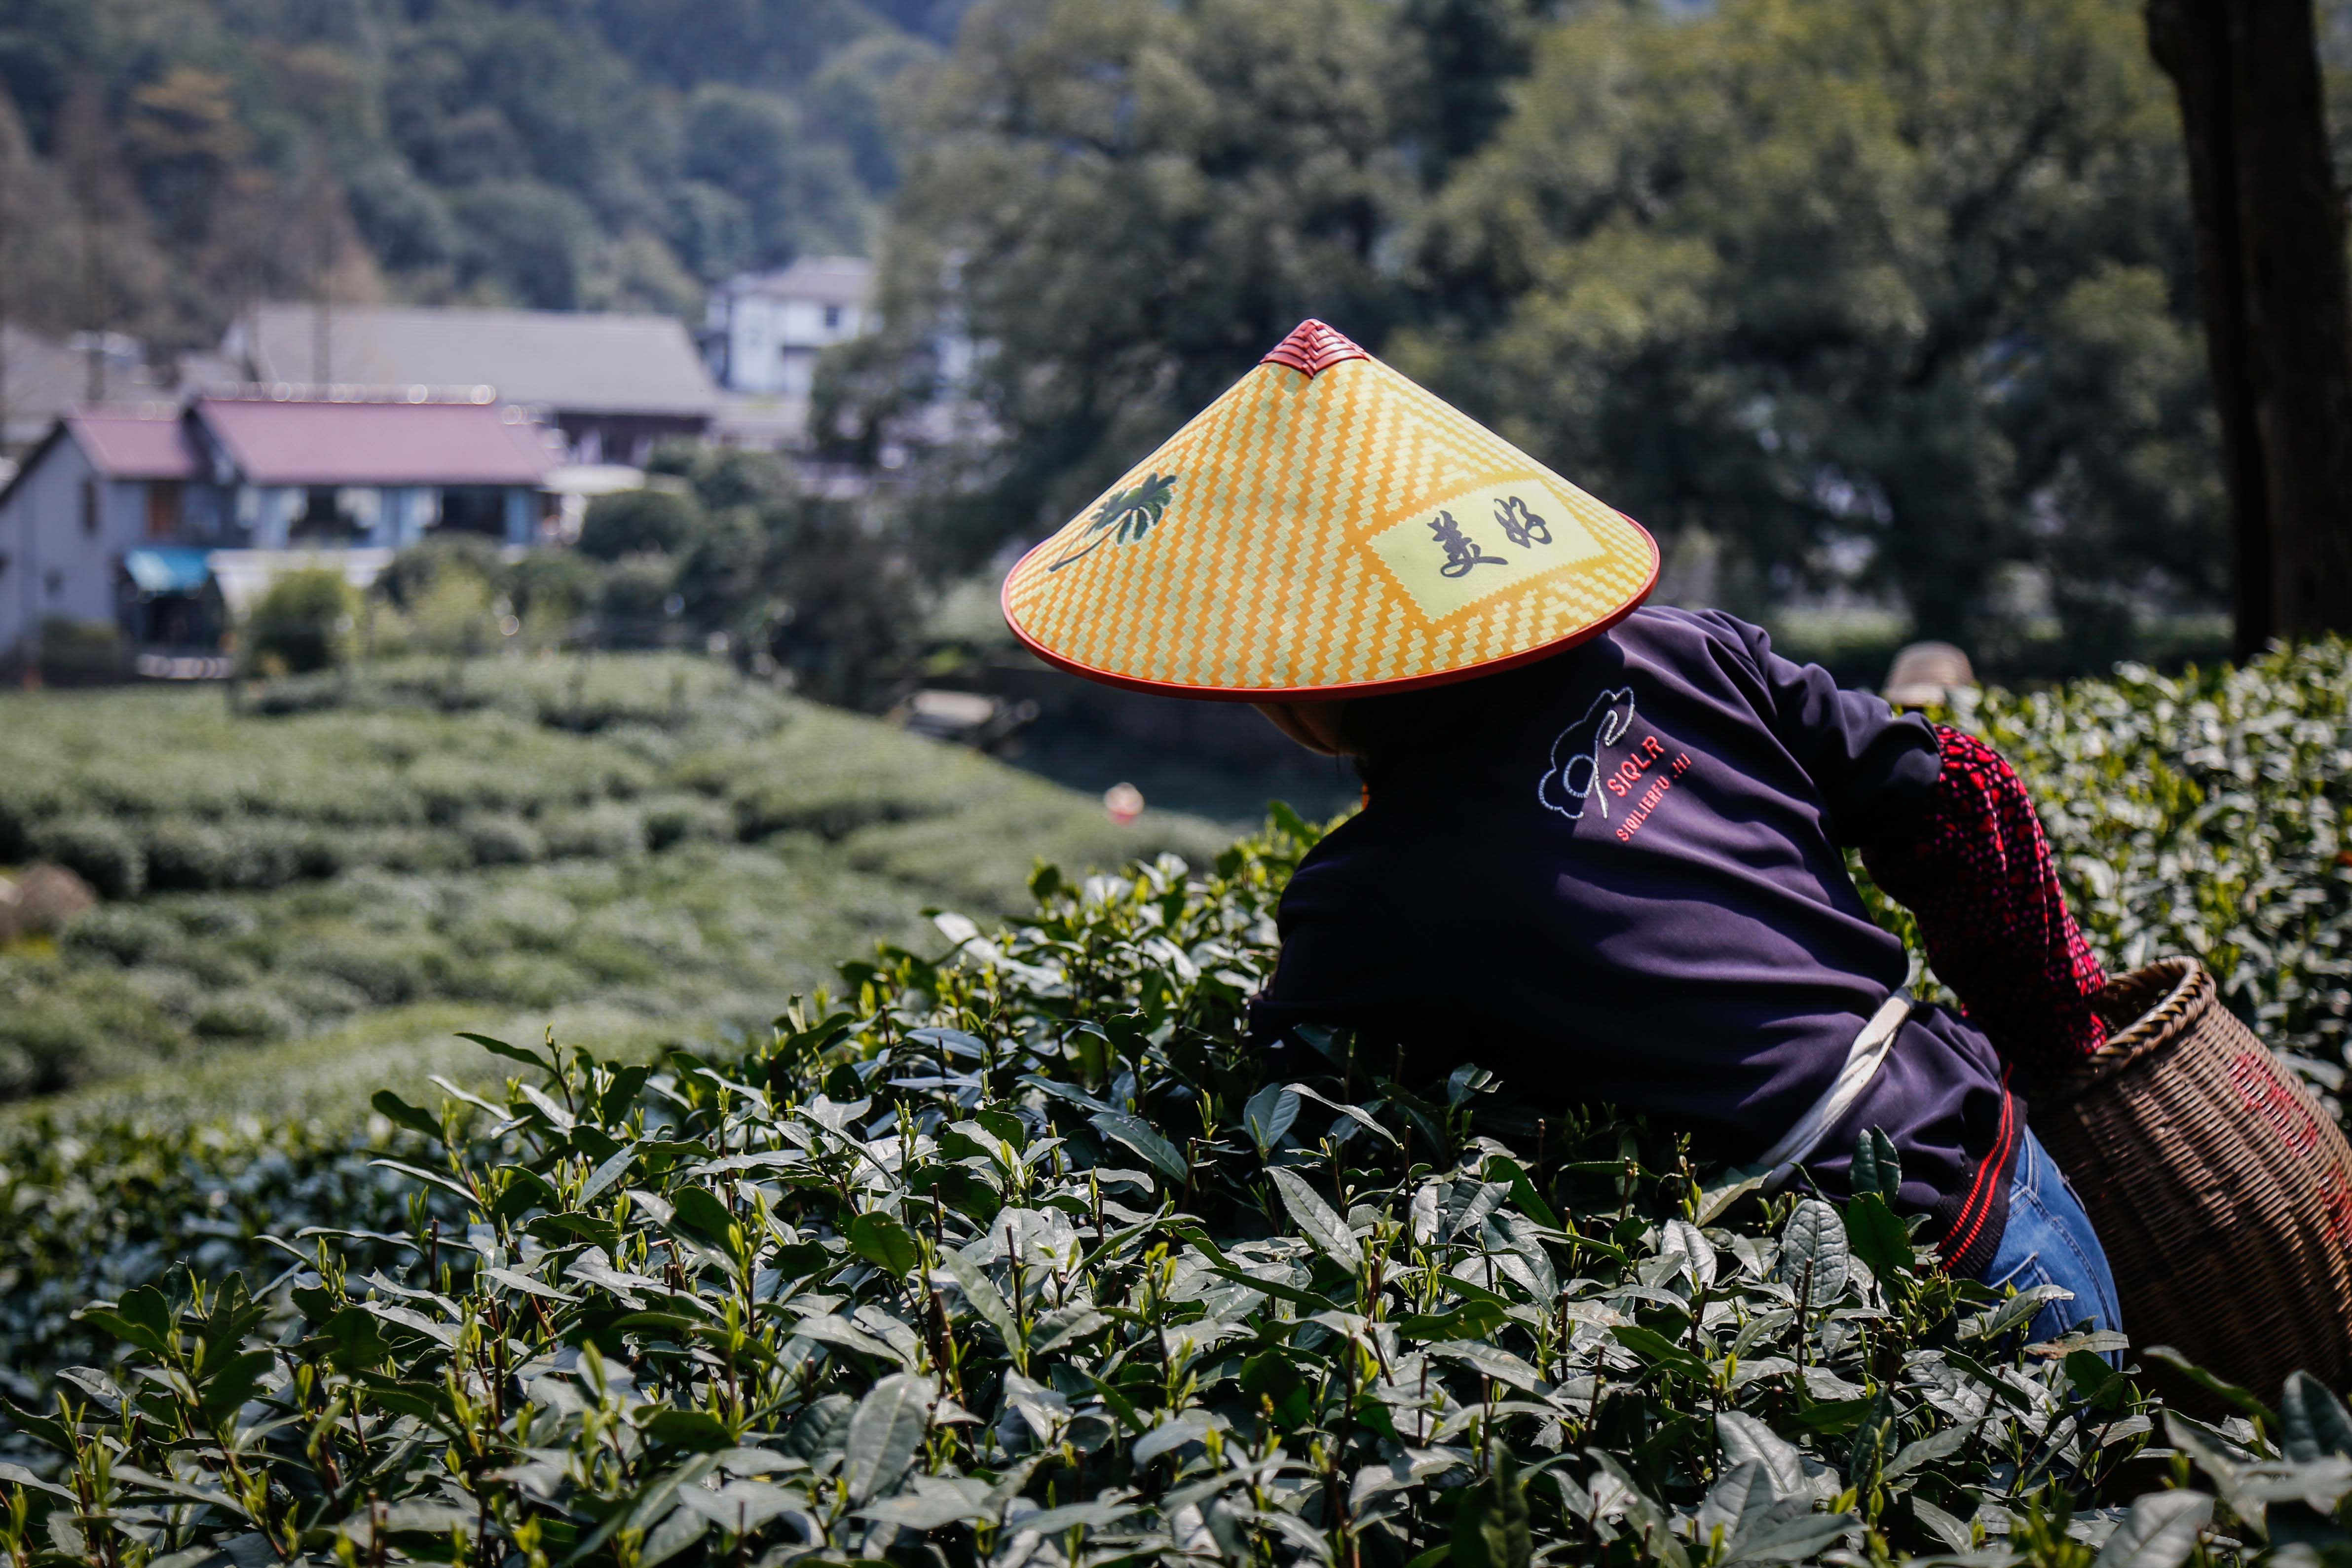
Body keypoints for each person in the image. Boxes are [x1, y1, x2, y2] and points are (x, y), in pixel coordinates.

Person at [999, 320, 2120, 1345]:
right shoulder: (1694, 649)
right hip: (2003, 1146)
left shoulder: (1367, 891)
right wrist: (2045, 1023)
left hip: (1891, 1257)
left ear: (1306, 687)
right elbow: (1949, 796)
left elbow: (1285, 1110)